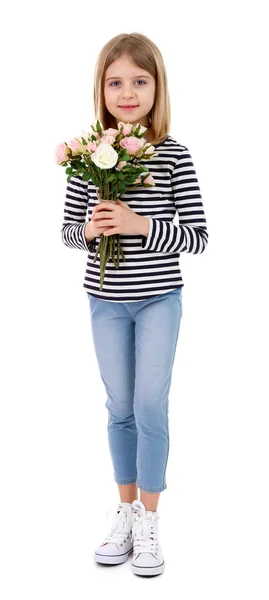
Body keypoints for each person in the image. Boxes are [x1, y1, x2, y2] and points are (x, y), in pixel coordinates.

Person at [61, 32, 209, 577]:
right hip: (104, 302)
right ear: (102, 89)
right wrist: (91, 227)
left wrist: (139, 225)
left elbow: (197, 236)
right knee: (118, 408)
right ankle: (124, 513)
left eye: (140, 81)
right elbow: (69, 232)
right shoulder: (87, 157)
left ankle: (150, 522)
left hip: (158, 302)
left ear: (156, 87)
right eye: (116, 81)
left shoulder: (173, 154)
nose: (128, 92)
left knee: (150, 406)